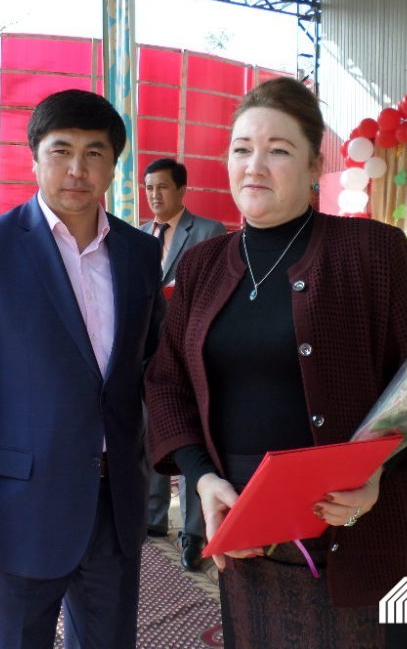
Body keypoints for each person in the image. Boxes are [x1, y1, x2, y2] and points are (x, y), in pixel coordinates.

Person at [145, 77, 407, 648]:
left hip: (363, 522)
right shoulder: (202, 265)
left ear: (315, 166)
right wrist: (202, 478)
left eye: (278, 150)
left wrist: (378, 471)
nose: (254, 166)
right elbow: (167, 383)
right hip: (246, 527)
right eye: (242, 148)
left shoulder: (370, 252)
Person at [0, 89, 165, 649]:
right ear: (34, 158)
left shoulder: (138, 254)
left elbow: (153, 371)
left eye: (95, 153)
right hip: (19, 513)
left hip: (115, 510)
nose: (77, 169)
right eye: (61, 151)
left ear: (113, 166)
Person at [140, 157, 226, 571]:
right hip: (147, 353)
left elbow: (216, 292)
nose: (154, 195)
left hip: (192, 353)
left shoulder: (209, 231)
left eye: (162, 187)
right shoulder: (139, 235)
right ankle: (153, 516)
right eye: (149, 188)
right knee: (151, 434)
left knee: (190, 436)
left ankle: (194, 533)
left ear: (181, 190)